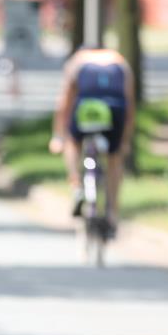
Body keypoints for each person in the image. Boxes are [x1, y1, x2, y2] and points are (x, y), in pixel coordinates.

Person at [48, 47, 135, 236]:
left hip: (86, 105)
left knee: (73, 141)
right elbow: (129, 104)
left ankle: (76, 184)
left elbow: (63, 103)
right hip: (115, 107)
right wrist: (125, 140)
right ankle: (112, 213)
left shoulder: (78, 61)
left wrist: (58, 136)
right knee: (114, 159)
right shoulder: (120, 61)